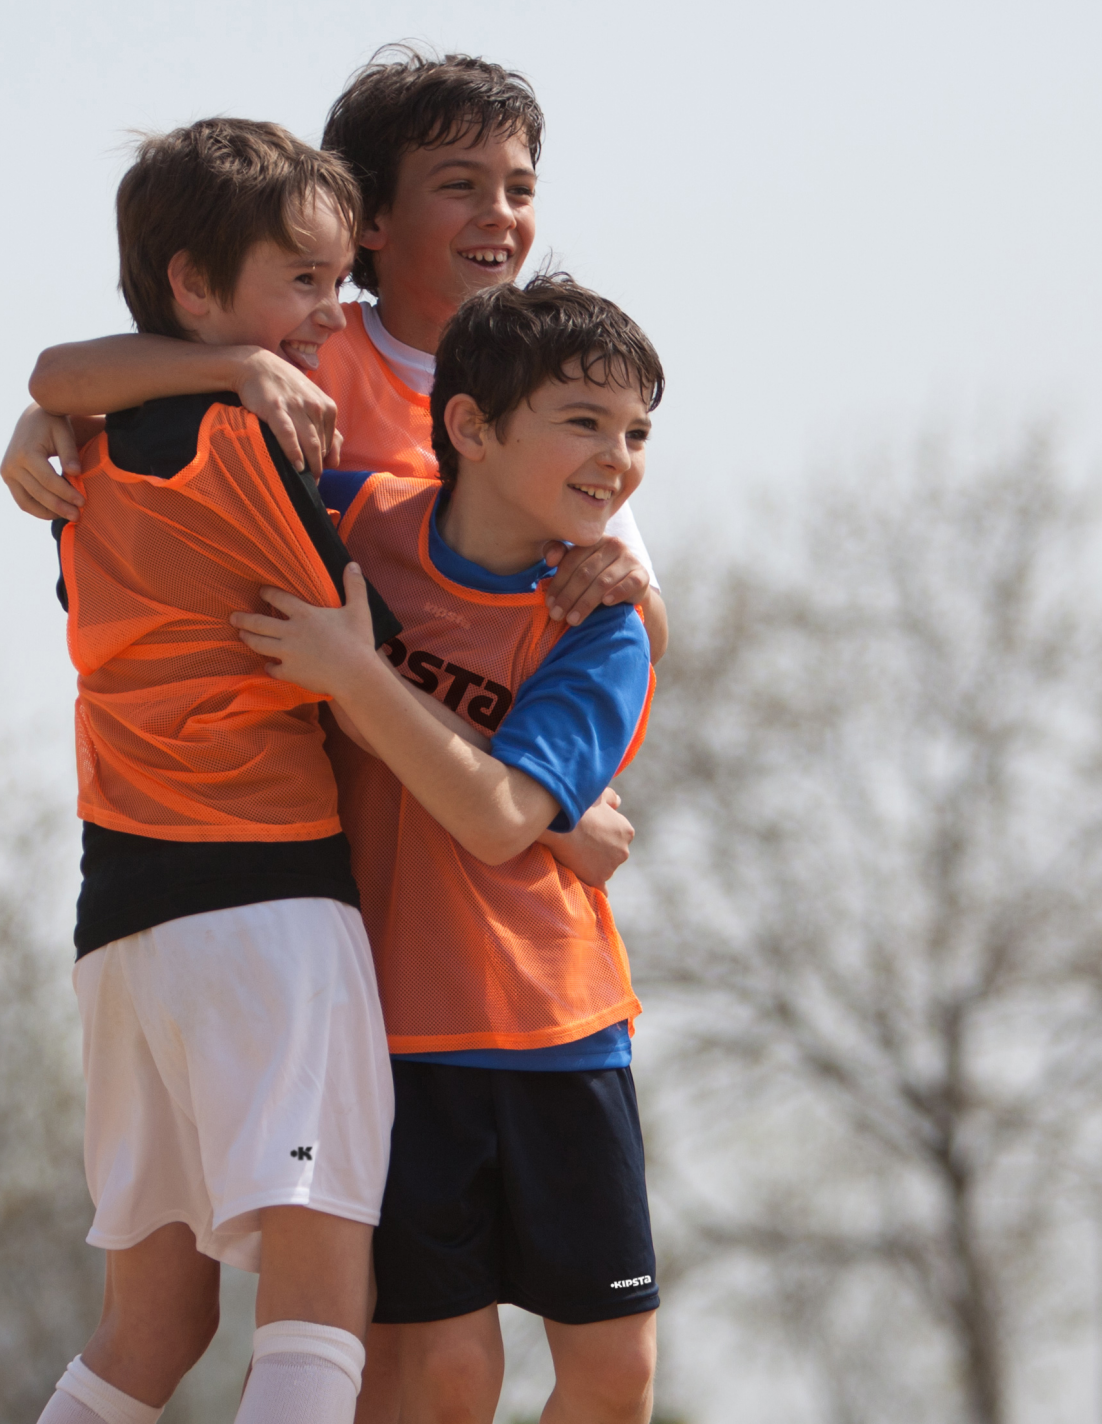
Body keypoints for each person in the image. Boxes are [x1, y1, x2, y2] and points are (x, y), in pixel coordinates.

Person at [233, 274, 665, 1424]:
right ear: (470, 426)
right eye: (583, 420)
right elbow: (168, 465)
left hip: (562, 1034)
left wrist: (353, 675)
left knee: (614, 1373)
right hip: (392, 1039)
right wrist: (53, 426)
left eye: (637, 433)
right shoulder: (357, 517)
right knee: (445, 1374)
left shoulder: (601, 628)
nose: (617, 458)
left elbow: (496, 820)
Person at [34, 117, 400, 1424]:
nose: (332, 308)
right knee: (318, 1291)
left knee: (156, 1321)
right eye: (301, 279)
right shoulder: (243, 445)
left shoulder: (80, 457)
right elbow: (375, 660)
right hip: (266, 914)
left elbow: (63, 374)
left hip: (120, 932)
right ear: (194, 287)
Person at [0, 47, 669, 663]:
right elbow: (69, 376)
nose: (498, 213)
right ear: (368, 218)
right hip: (306, 756)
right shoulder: (303, 347)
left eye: (519, 191)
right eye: (460, 186)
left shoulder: (559, 395)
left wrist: (622, 580)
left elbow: (648, 632)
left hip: (462, 755)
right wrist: (54, 416)